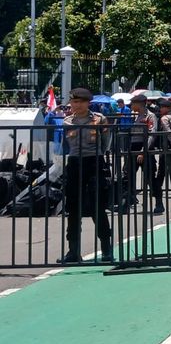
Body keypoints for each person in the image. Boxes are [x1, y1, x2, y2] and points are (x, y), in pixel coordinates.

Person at [60, 88, 114, 263]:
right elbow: (65, 145)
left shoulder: (99, 119)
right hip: (75, 163)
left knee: (97, 206)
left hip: (94, 162)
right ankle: (73, 251)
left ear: (87, 103)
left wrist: (100, 154)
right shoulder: (67, 121)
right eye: (74, 102)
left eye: (80, 102)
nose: (77, 105)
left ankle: (106, 249)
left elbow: (106, 142)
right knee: (73, 207)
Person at [123, 93, 161, 213]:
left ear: (139, 104)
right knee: (128, 175)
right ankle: (127, 202)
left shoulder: (150, 116)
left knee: (150, 177)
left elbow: (151, 134)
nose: (131, 106)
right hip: (134, 147)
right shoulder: (135, 116)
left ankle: (159, 202)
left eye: (133, 103)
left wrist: (143, 151)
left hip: (145, 148)